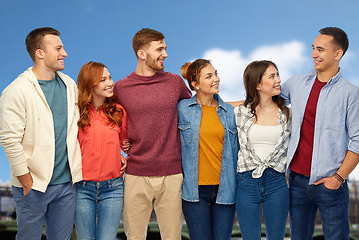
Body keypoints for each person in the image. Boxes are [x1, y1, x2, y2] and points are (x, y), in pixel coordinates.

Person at [280, 27, 359, 239]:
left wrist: (338, 178)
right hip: (296, 183)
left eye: (320, 49)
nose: (313, 54)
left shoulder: (352, 94)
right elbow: (265, 102)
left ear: (338, 54)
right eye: (313, 48)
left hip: (330, 185)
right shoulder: (296, 84)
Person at [0, 27, 82, 239]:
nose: (65, 53)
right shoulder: (16, 91)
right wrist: (26, 180)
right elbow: (10, 140)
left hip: (66, 186)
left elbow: (80, 127)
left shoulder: (69, 85)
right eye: (59, 48)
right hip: (33, 186)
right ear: (40, 53)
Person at [113, 28, 192, 240]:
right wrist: (119, 146)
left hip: (172, 174)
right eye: (159, 49)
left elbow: (194, 113)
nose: (165, 54)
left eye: (165, 48)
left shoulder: (175, 83)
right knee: (134, 236)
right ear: (141, 53)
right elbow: (109, 121)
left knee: (173, 236)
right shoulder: (121, 88)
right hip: (136, 174)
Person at [178, 59, 238, 240]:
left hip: (225, 189)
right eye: (209, 76)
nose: (216, 79)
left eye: (216, 74)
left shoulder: (228, 111)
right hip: (195, 192)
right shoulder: (182, 109)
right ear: (195, 85)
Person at [235, 60, 291, 240]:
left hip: (277, 182)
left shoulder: (288, 114)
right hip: (246, 182)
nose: (278, 80)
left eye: (277, 74)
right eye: (272, 76)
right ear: (258, 84)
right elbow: (212, 104)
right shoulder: (240, 112)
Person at [75, 61, 128, 240]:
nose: (110, 83)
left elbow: (126, 144)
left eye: (110, 77)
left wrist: (123, 156)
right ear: (90, 84)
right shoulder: (76, 113)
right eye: (103, 79)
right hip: (82, 188)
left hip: (113, 187)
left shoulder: (119, 112)